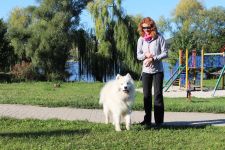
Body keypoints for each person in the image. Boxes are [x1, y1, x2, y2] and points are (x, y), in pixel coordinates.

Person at [137, 17, 168, 126]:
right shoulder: (141, 39)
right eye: (144, 27)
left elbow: (165, 53)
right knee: (146, 96)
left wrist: (153, 58)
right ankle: (147, 120)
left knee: (158, 95)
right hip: (146, 71)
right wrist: (145, 55)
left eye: (148, 27)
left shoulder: (159, 37)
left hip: (158, 71)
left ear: (152, 27)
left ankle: (159, 121)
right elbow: (138, 55)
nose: (146, 29)